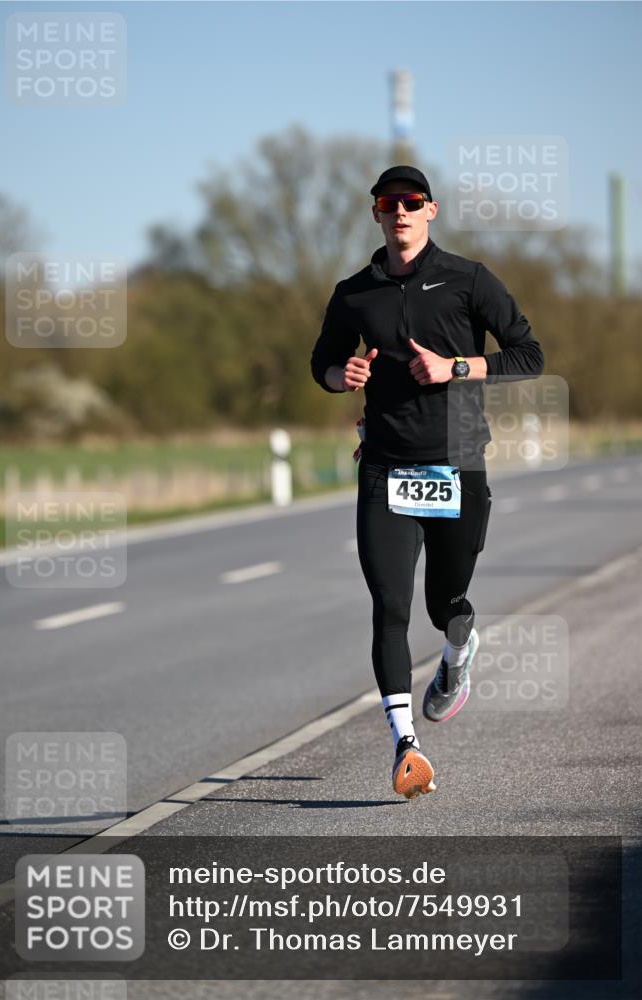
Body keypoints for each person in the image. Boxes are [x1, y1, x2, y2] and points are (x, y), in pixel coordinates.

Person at [311, 165, 544, 800]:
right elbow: (321, 363)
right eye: (390, 204)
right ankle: (405, 746)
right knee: (389, 606)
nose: (401, 212)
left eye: (412, 202)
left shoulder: (468, 279)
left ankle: (456, 651)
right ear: (376, 214)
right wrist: (343, 376)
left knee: (446, 604)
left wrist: (456, 366)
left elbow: (529, 354)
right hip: (385, 467)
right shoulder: (354, 292)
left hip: (458, 465)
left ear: (431, 210)